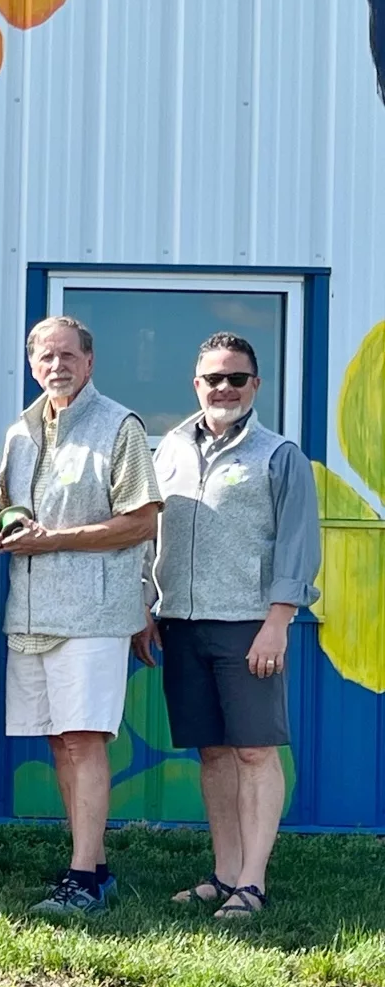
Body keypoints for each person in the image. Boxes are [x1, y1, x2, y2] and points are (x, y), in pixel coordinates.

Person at [147, 332, 320, 920]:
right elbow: (154, 537)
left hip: (250, 624)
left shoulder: (279, 455)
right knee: (214, 754)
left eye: (236, 378)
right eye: (212, 378)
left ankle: (253, 881)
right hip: (181, 624)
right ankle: (223, 874)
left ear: (256, 385)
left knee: (253, 752)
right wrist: (147, 608)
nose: (224, 387)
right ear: (196, 384)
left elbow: (298, 547)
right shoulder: (168, 448)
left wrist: (278, 622)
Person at [0, 315, 161, 915]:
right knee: (62, 743)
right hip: (31, 613)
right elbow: (11, 513)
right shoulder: (18, 432)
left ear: (89, 363)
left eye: (68, 355)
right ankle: (91, 864)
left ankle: (83, 880)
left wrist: (53, 539)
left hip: (92, 612)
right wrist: (7, 526)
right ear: (32, 365)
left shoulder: (120, 426)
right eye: (45, 356)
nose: (56, 365)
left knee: (86, 741)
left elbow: (142, 521)